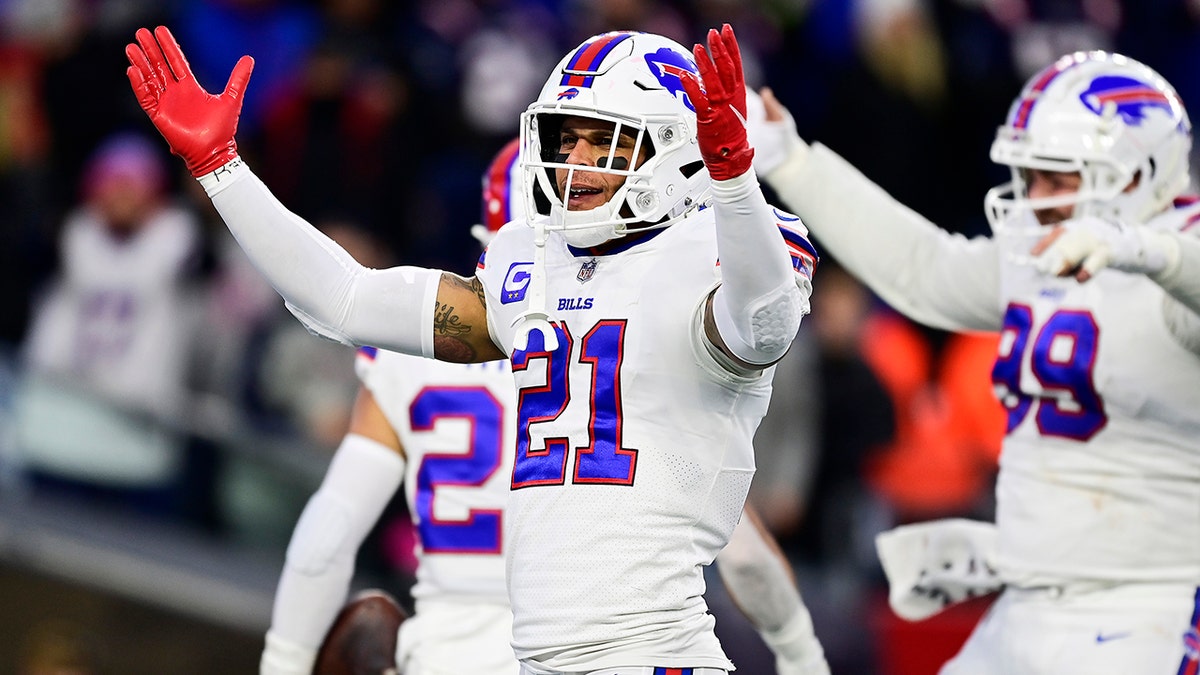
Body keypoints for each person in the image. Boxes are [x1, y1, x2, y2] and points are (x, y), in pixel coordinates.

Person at [126, 23, 819, 674]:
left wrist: (732, 182)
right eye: (563, 138)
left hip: (652, 653)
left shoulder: (718, 256)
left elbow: (762, 324)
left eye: (598, 141)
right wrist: (222, 168)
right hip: (537, 656)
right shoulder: (531, 267)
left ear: (676, 152)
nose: (571, 160)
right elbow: (343, 301)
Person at [260, 139, 830, 675]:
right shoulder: (638, 345)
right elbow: (746, 556)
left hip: (446, 652)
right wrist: (801, 653)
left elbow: (328, 533)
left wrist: (283, 661)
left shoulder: (409, 362)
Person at [754, 50, 1200, 674]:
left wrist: (1140, 251)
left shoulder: (1176, 257)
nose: (1037, 200)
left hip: (1144, 609)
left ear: (1135, 176)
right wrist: (791, 160)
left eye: (1059, 178)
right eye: (1030, 177)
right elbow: (922, 268)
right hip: (1027, 601)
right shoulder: (1040, 254)